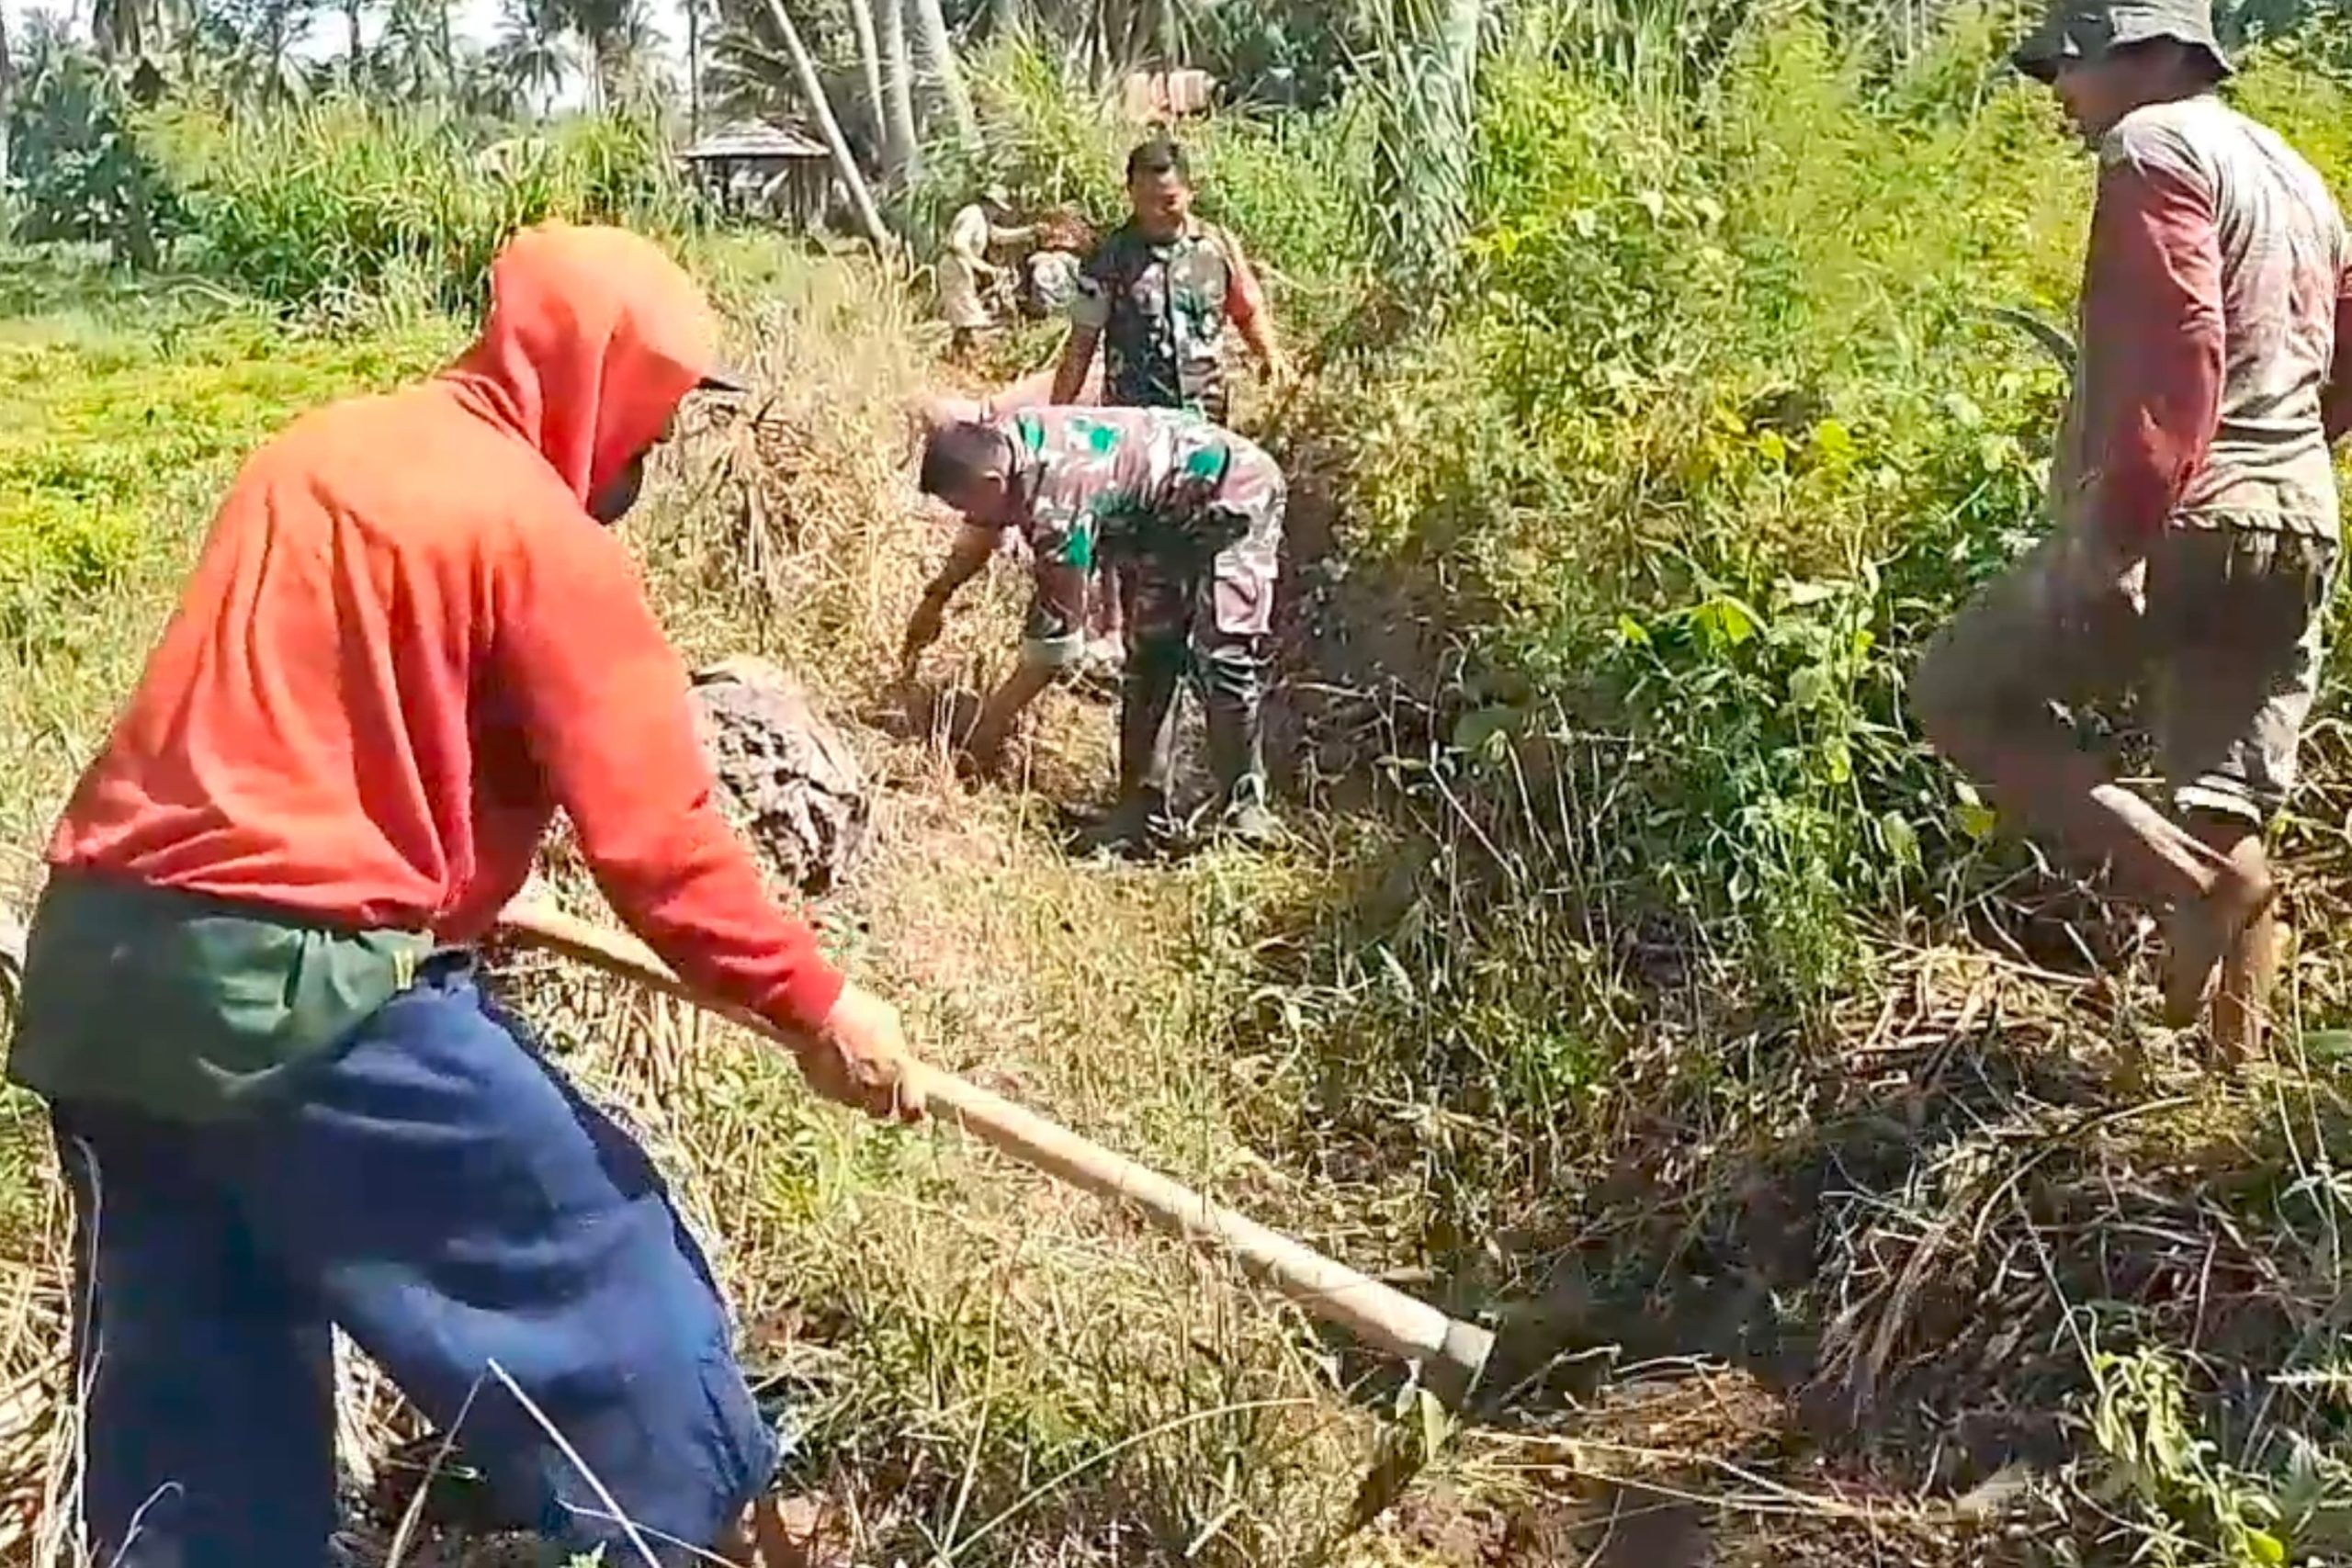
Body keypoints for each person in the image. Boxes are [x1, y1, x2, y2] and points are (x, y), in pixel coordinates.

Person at [6, 221, 927, 1568]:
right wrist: (819, 1003)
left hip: (102, 974)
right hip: (302, 988)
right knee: (608, 1279)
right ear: (601, 383)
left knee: (198, 1405)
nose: (656, 448)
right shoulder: (538, 531)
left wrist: (447, 887)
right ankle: (699, 1535)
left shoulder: (316, 453)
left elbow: (311, 743)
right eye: (657, 414)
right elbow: (659, 842)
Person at [1912, 0, 2352, 1062]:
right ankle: (2230, 1085)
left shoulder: (2151, 145)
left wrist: (2115, 537)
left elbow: (2179, 346)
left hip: (2187, 516)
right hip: (2297, 514)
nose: (2060, 94)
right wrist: (2288, 455)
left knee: (1958, 694)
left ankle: (2195, 886)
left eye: (2066, 65)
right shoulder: (2296, 174)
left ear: (2144, 52)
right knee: (2224, 798)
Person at [901, 406, 1286, 852]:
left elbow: (1055, 649)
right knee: (1150, 652)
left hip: (1234, 493)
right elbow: (981, 529)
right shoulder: (1002, 444)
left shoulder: (1057, 503)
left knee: (1225, 655)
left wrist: (986, 729)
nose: (965, 516)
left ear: (991, 485)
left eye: (962, 505)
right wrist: (935, 599)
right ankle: (1139, 815)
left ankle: (1247, 813)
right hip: (1163, 519)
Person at [937, 182, 1035, 360]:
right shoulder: (972, 214)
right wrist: (982, 266)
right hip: (955, 266)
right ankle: (966, 355)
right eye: (997, 208)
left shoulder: (982, 218)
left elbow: (997, 236)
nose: (998, 213)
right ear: (989, 203)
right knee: (969, 315)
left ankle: (956, 356)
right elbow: (958, 243)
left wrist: (1029, 231)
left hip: (963, 267)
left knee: (964, 317)